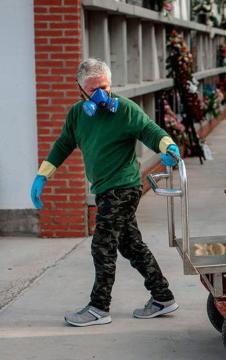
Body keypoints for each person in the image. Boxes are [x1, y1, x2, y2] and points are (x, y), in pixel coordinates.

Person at [30, 58, 181, 327]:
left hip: (123, 187)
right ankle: (162, 296)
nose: (101, 94)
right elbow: (63, 144)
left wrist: (167, 146)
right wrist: (43, 175)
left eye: (105, 87)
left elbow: (149, 129)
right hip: (104, 189)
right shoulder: (77, 115)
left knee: (102, 244)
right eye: (94, 89)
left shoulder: (124, 109)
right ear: (81, 89)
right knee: (131, 245)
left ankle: (99, 307)